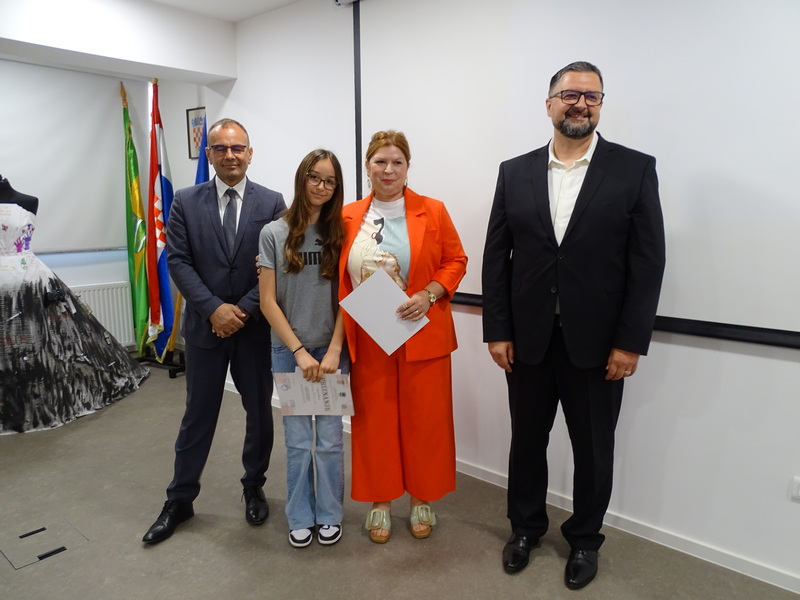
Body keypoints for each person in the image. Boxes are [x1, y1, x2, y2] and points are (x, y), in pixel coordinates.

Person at [482, 62, 666, 589]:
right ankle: (525, 529)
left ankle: (585, 539)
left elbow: (647, 262)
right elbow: (497, 257)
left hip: (600, 345)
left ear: (601, 105)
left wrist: (630, 342)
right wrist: (498, 329)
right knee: (526, 443)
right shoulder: (514, 171)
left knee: (593, 451)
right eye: (569, 94)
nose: (580, 103)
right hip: (528, 340)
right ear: (549, 104)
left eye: (591, 95)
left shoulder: (634, 169)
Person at [142, 118, 286, 545]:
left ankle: (253, 486)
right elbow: (178, 261)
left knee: (259, 413)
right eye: (220, 148)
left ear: (250, 153)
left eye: (237, 148)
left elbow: (277, 264)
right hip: (206, 329)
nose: (230, 155)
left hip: (253, 328)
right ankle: (180, 499)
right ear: (209, 154)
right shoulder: (186, 202)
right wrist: (213, 310)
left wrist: (241, 310)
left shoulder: (272, 202)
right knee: (197, 415)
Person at [338, 130, 467, 543]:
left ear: (408, 166)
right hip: (369, 333)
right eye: (380, 162)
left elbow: (456, 260)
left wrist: (429, 295)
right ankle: (380, 500)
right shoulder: (347, 215)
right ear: (368, 166)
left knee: (424, 422)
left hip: (422, 332)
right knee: (374, 421)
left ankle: (421, 498)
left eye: (397, 162)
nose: (388, 170)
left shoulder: (433, 210)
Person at [1, 176, 148, 433]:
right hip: (18, 279)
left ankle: (40, 402)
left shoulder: (28, 201)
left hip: (27, 279)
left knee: (40, 344)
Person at [258, 149, 348, 548]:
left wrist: (334, 350)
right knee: (297, 442)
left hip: (330, 352)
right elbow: (267, 302)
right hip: (288, 351)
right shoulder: (273, 233)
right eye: (315, 177)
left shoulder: (340, 232)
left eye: (330, 181)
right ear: (302, 177)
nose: (321, 187)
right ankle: (300, 516)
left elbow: (348, 297)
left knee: (329, 440)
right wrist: (297, 351)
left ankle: (329, 515)